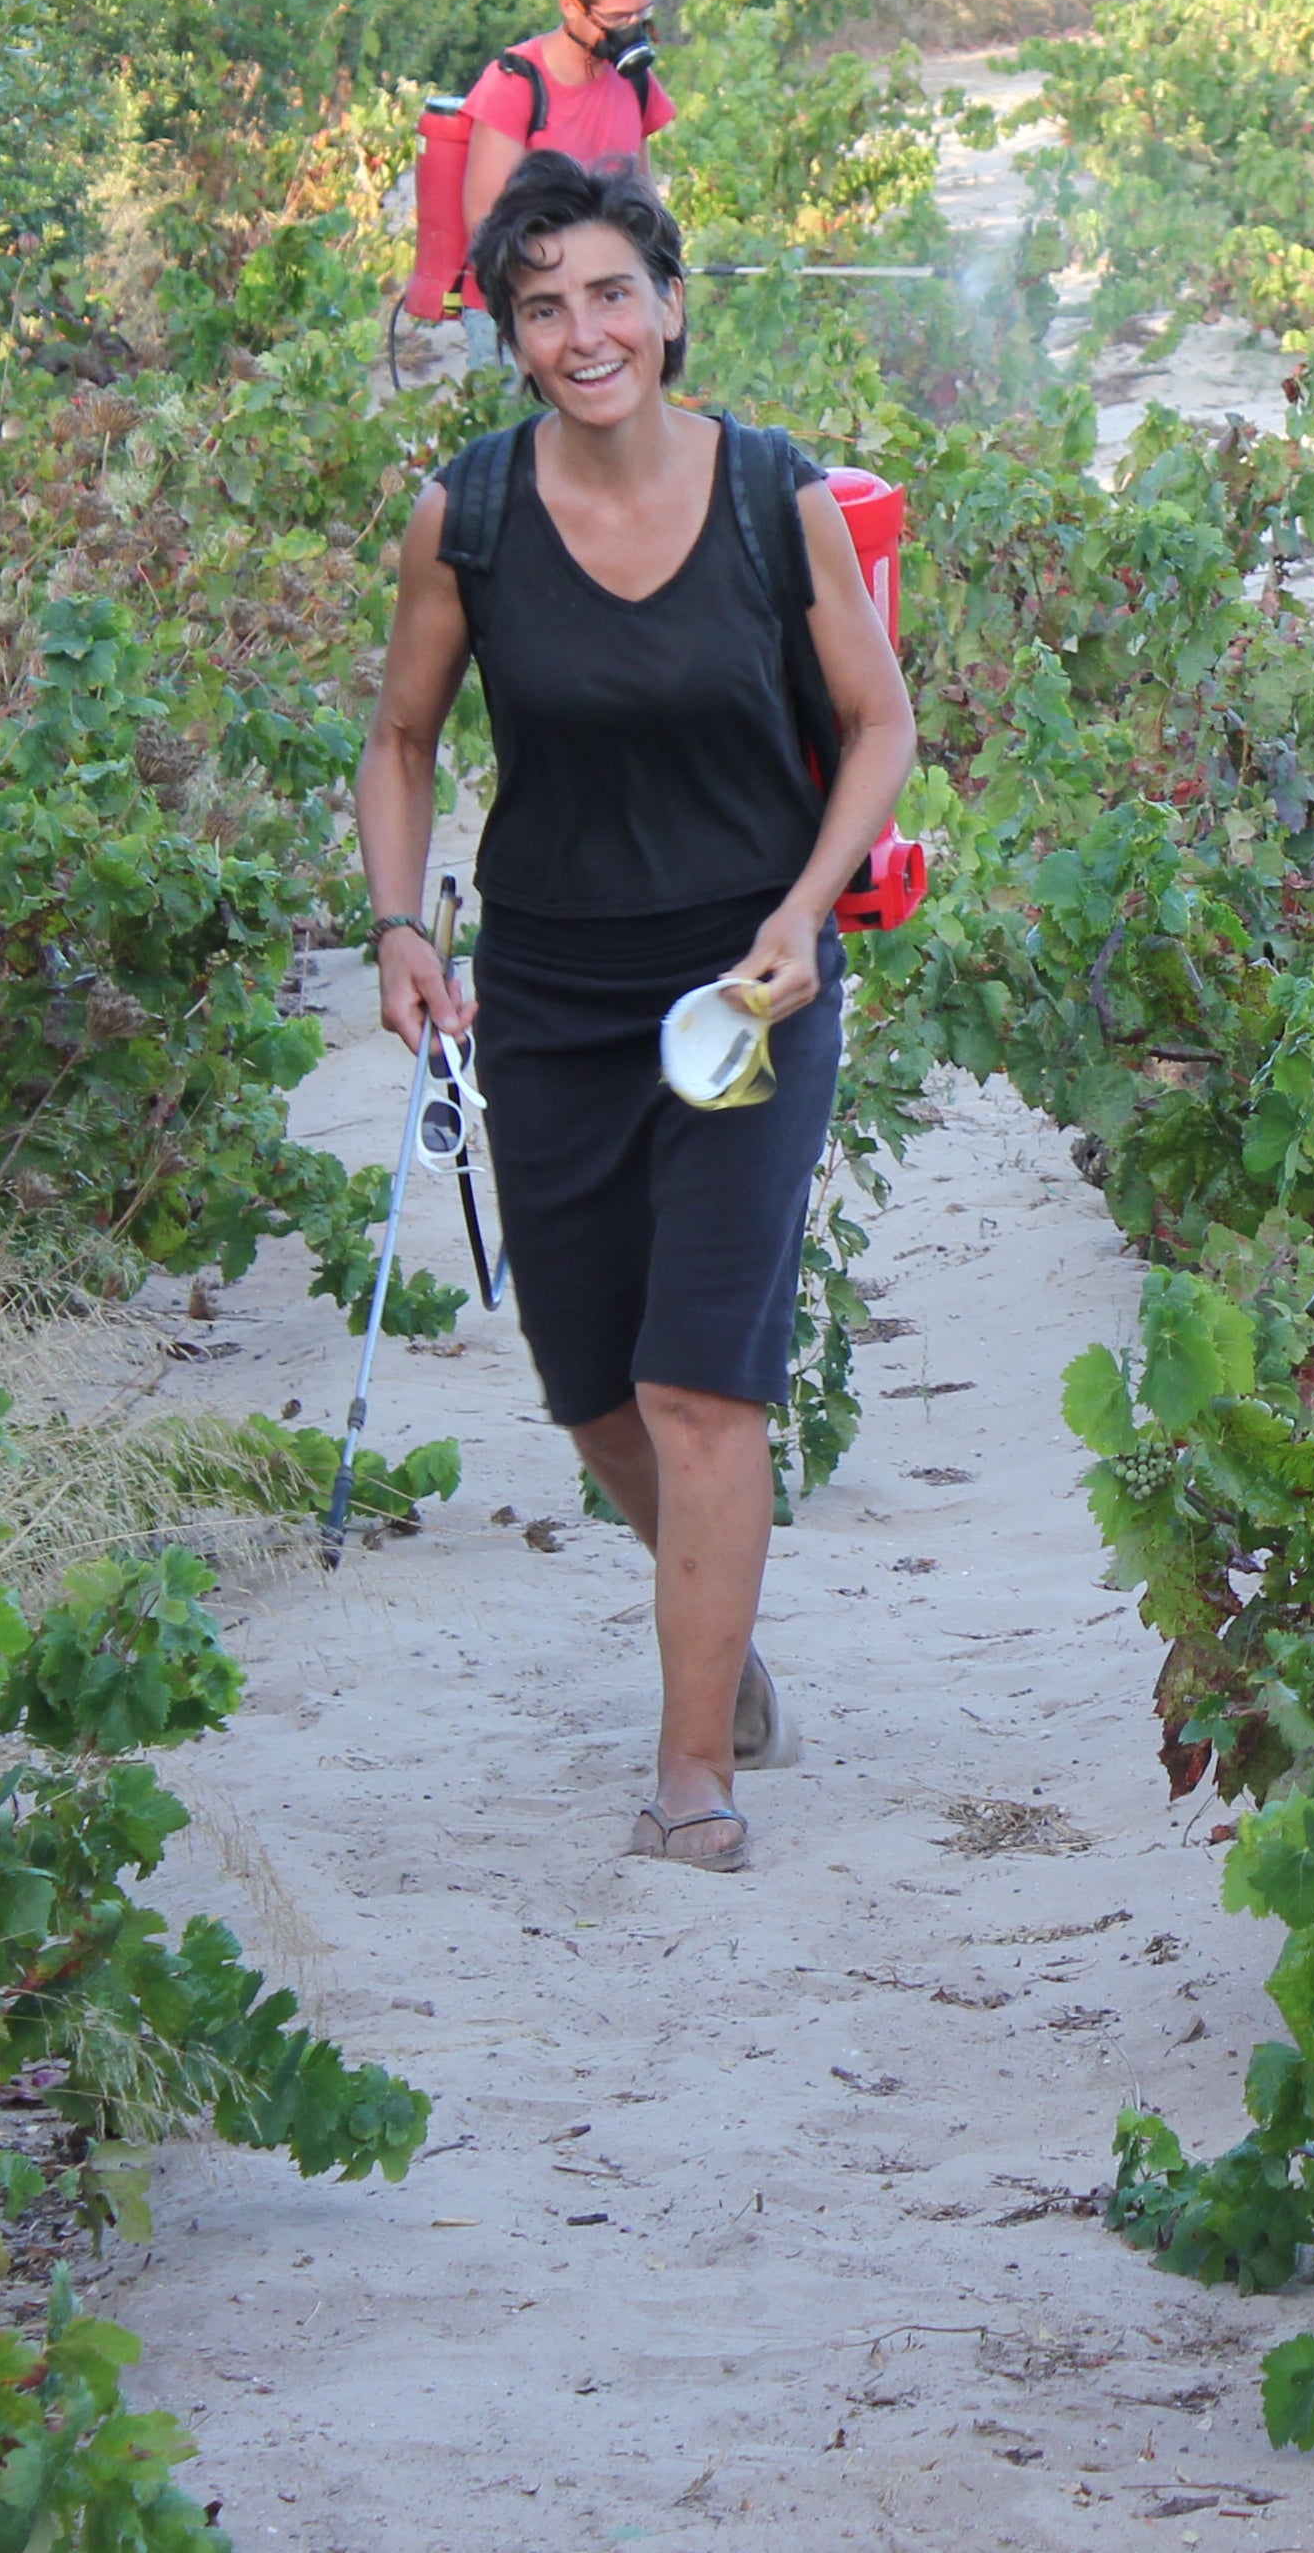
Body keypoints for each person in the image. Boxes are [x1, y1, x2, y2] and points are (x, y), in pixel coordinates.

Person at [356, 150, 917, 1874]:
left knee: (700, 1386)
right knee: (591, 1382)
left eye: (612, 292)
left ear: (670, 307)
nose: (582, 332)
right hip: (548, 989)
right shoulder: (469, 517)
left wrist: (803, 911)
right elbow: (402, 740)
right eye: (542, 307)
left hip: (747, 986)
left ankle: (692, 1770)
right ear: (512, 337)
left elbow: (879, 725)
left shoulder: (770, 497)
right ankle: (716, 1628)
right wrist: (398, 924)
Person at [457, 0, 680, 249]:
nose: (632, 32)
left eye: (641, 15)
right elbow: (485, 225)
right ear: (570, 6)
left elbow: (643, 194)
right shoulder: (514, 83)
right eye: (617, 18)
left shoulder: (635, 81)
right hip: (533, 275)